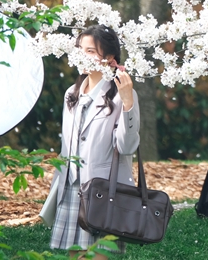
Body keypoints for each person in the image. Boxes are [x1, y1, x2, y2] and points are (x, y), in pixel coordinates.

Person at [39, 25, 139, 258]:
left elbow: (127, 146)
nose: (83, 56)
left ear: (110, 57)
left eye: (91, 51)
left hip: (102, 191)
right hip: (71, 187)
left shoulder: (121, 94)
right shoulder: (70, 94)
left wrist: (127, 104)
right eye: (80, 49)